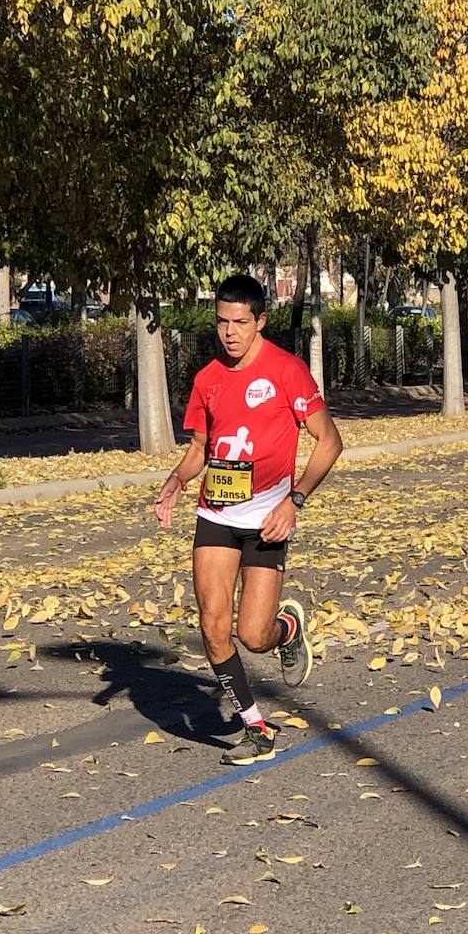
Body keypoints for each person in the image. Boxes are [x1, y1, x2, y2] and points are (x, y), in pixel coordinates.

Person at [153, 273, 343, 765]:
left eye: (240, 322)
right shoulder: (207, 380)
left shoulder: (287, 370)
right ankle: (255, 727)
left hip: (268, 519)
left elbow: (330, 441)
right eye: (222, 322)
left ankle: (286, 630)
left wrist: (294, 501)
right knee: (213, 626)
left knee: (252, 636)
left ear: (260, 321)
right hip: (215, 512)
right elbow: (199, 449)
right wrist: (176, 481)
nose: (230, 332)